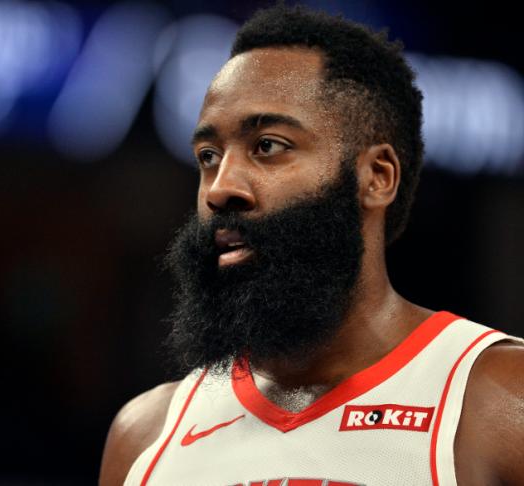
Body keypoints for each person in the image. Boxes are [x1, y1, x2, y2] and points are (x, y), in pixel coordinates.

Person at [99, 4, 524, 485]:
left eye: (268, 146)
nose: (220, 188)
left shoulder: (502, 402)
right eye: (209, 156)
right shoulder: (145, 435)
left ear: (377, 177)